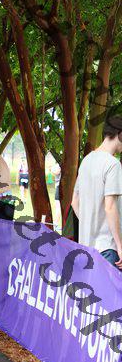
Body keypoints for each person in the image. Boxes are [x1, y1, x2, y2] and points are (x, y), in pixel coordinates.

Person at [71, 115, 122, 270]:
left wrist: (90, 224)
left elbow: (74, 202)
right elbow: (110, 207)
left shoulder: (86, 161)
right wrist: (120, 246)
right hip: (108, 248)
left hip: (86, 248)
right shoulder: (113, 164)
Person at [52, 162, 62, 233]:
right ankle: (55, 225)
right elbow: (55, 171)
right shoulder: (58, 164)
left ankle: (55, 225)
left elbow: (55, 171)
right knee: (58, 207)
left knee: (58, 208)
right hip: (58, 187)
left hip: (60, 187)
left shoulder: (60, 164)